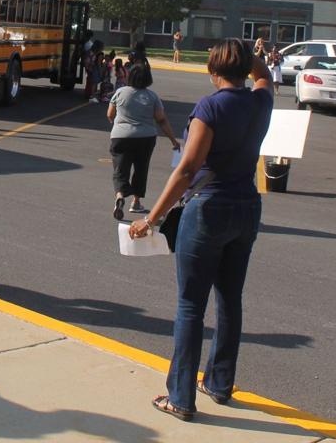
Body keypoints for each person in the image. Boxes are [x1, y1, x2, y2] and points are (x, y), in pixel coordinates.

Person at [128, 39, 273, 421]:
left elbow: (188, 168)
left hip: (210, 207)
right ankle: (220, 383)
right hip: (247, 206)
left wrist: (152, 218)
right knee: (230, 299)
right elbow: (265, 75)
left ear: (212, 73)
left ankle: (180, 396)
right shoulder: (261, 101)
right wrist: (248, 56)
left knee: (191, 304)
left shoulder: (210, 107)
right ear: (243, 69)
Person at [108, 62, 179, 218]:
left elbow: (110, 114)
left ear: (130, 76)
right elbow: (162, 120)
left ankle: (119, 196)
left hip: (121, 137)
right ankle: (136, 202)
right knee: (141, 169)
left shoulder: (120, 92)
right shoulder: (152, 96)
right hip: (146, 138)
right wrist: (174, 140)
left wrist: (118, 124)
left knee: (120, 169)